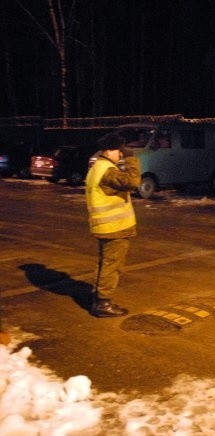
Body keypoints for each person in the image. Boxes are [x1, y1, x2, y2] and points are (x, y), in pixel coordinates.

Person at [85, 133, 141, 317]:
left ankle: (99, 297)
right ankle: (103, 304)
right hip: (114, 228)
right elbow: (132, 182)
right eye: (119, 151)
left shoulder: (98, 167)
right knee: (112, 265)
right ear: (109, 151)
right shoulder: (107, 170)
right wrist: (132, 159)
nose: (121, 155)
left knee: (105, 263)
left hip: (106, 227)